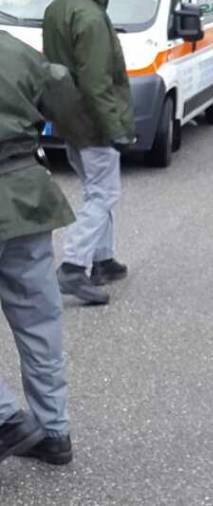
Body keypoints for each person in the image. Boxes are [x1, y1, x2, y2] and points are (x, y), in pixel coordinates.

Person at [0, 31, 88, 466]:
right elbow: (63, 94)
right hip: (27, 194)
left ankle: (7, 421)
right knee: (38, 319)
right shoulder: (15, 49)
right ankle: (53, 431)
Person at [42, 0, 136, 306]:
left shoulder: (57, 8)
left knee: (96, 189)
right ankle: (73, 267)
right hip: (92, 122)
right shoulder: (92, 17)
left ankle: (104, 260)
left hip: (68, 117)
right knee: (103, 194)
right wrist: (116, 128)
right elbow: (97, 83)